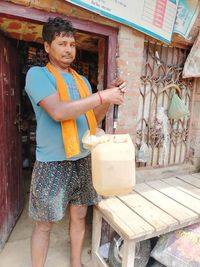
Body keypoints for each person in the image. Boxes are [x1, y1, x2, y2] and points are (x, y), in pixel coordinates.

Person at [25, 17, 127, 267]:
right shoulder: (37, 75)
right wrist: (101, 94)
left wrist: (106, 100)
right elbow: (59, 112)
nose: (69, 48)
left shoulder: (81, 80)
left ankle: (75, 263)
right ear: (47, 46)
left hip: (82, 159)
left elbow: (91, 118)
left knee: (80, 216)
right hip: (52, 163)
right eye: (61, 43)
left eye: (71, 43)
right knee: (44, 223)